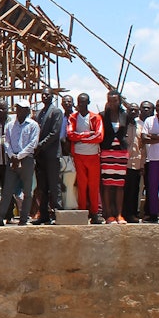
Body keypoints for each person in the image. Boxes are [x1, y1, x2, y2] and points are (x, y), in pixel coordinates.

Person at [0, 100, 39, 225]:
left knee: (27, 191)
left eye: (22, 109)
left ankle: (23, 218)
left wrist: (19, 156)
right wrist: (12, 156)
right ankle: (0, 218)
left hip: (26, 159)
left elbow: (33, 144)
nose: (19, 111)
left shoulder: (33, 125)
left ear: (27, 111)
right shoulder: (10, 125)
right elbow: (6, 142)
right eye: (18, 108)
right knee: (7, 190)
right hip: (12, 159)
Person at [66, 93, 105, 223]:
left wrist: (80, 138)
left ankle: (94, 213)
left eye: (83, 102)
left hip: (93, 155)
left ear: (88, 102)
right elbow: (70, 135)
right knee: (82, 185)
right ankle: (83, 211)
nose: (81, 105)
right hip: (78, 155)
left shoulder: (96, 117)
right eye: (79, 102)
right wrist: (88, 135)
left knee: (93, 185)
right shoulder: (73, 117)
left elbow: (99, 137)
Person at [99, 90, 130, 224]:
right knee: (107, 185)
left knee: (119, 185)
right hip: (107, 153)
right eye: (110, 101)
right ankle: (109, 215)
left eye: (115, 101)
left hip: (121, 153)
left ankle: (119, 214)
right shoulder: (102, 115)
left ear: (119, 101)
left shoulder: (125, 115)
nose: (112, 103)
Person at [34, 90, 64, 225]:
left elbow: (55, 133)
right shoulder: (40, 113)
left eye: (48, 95)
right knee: (42, 187)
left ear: (53, 96)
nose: (45, 96)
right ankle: (44, 215)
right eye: (43, 95)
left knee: (54, 186)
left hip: (51, 154)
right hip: (41, 156)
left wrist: (40, 145)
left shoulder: (56, 112)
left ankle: (58, 215)